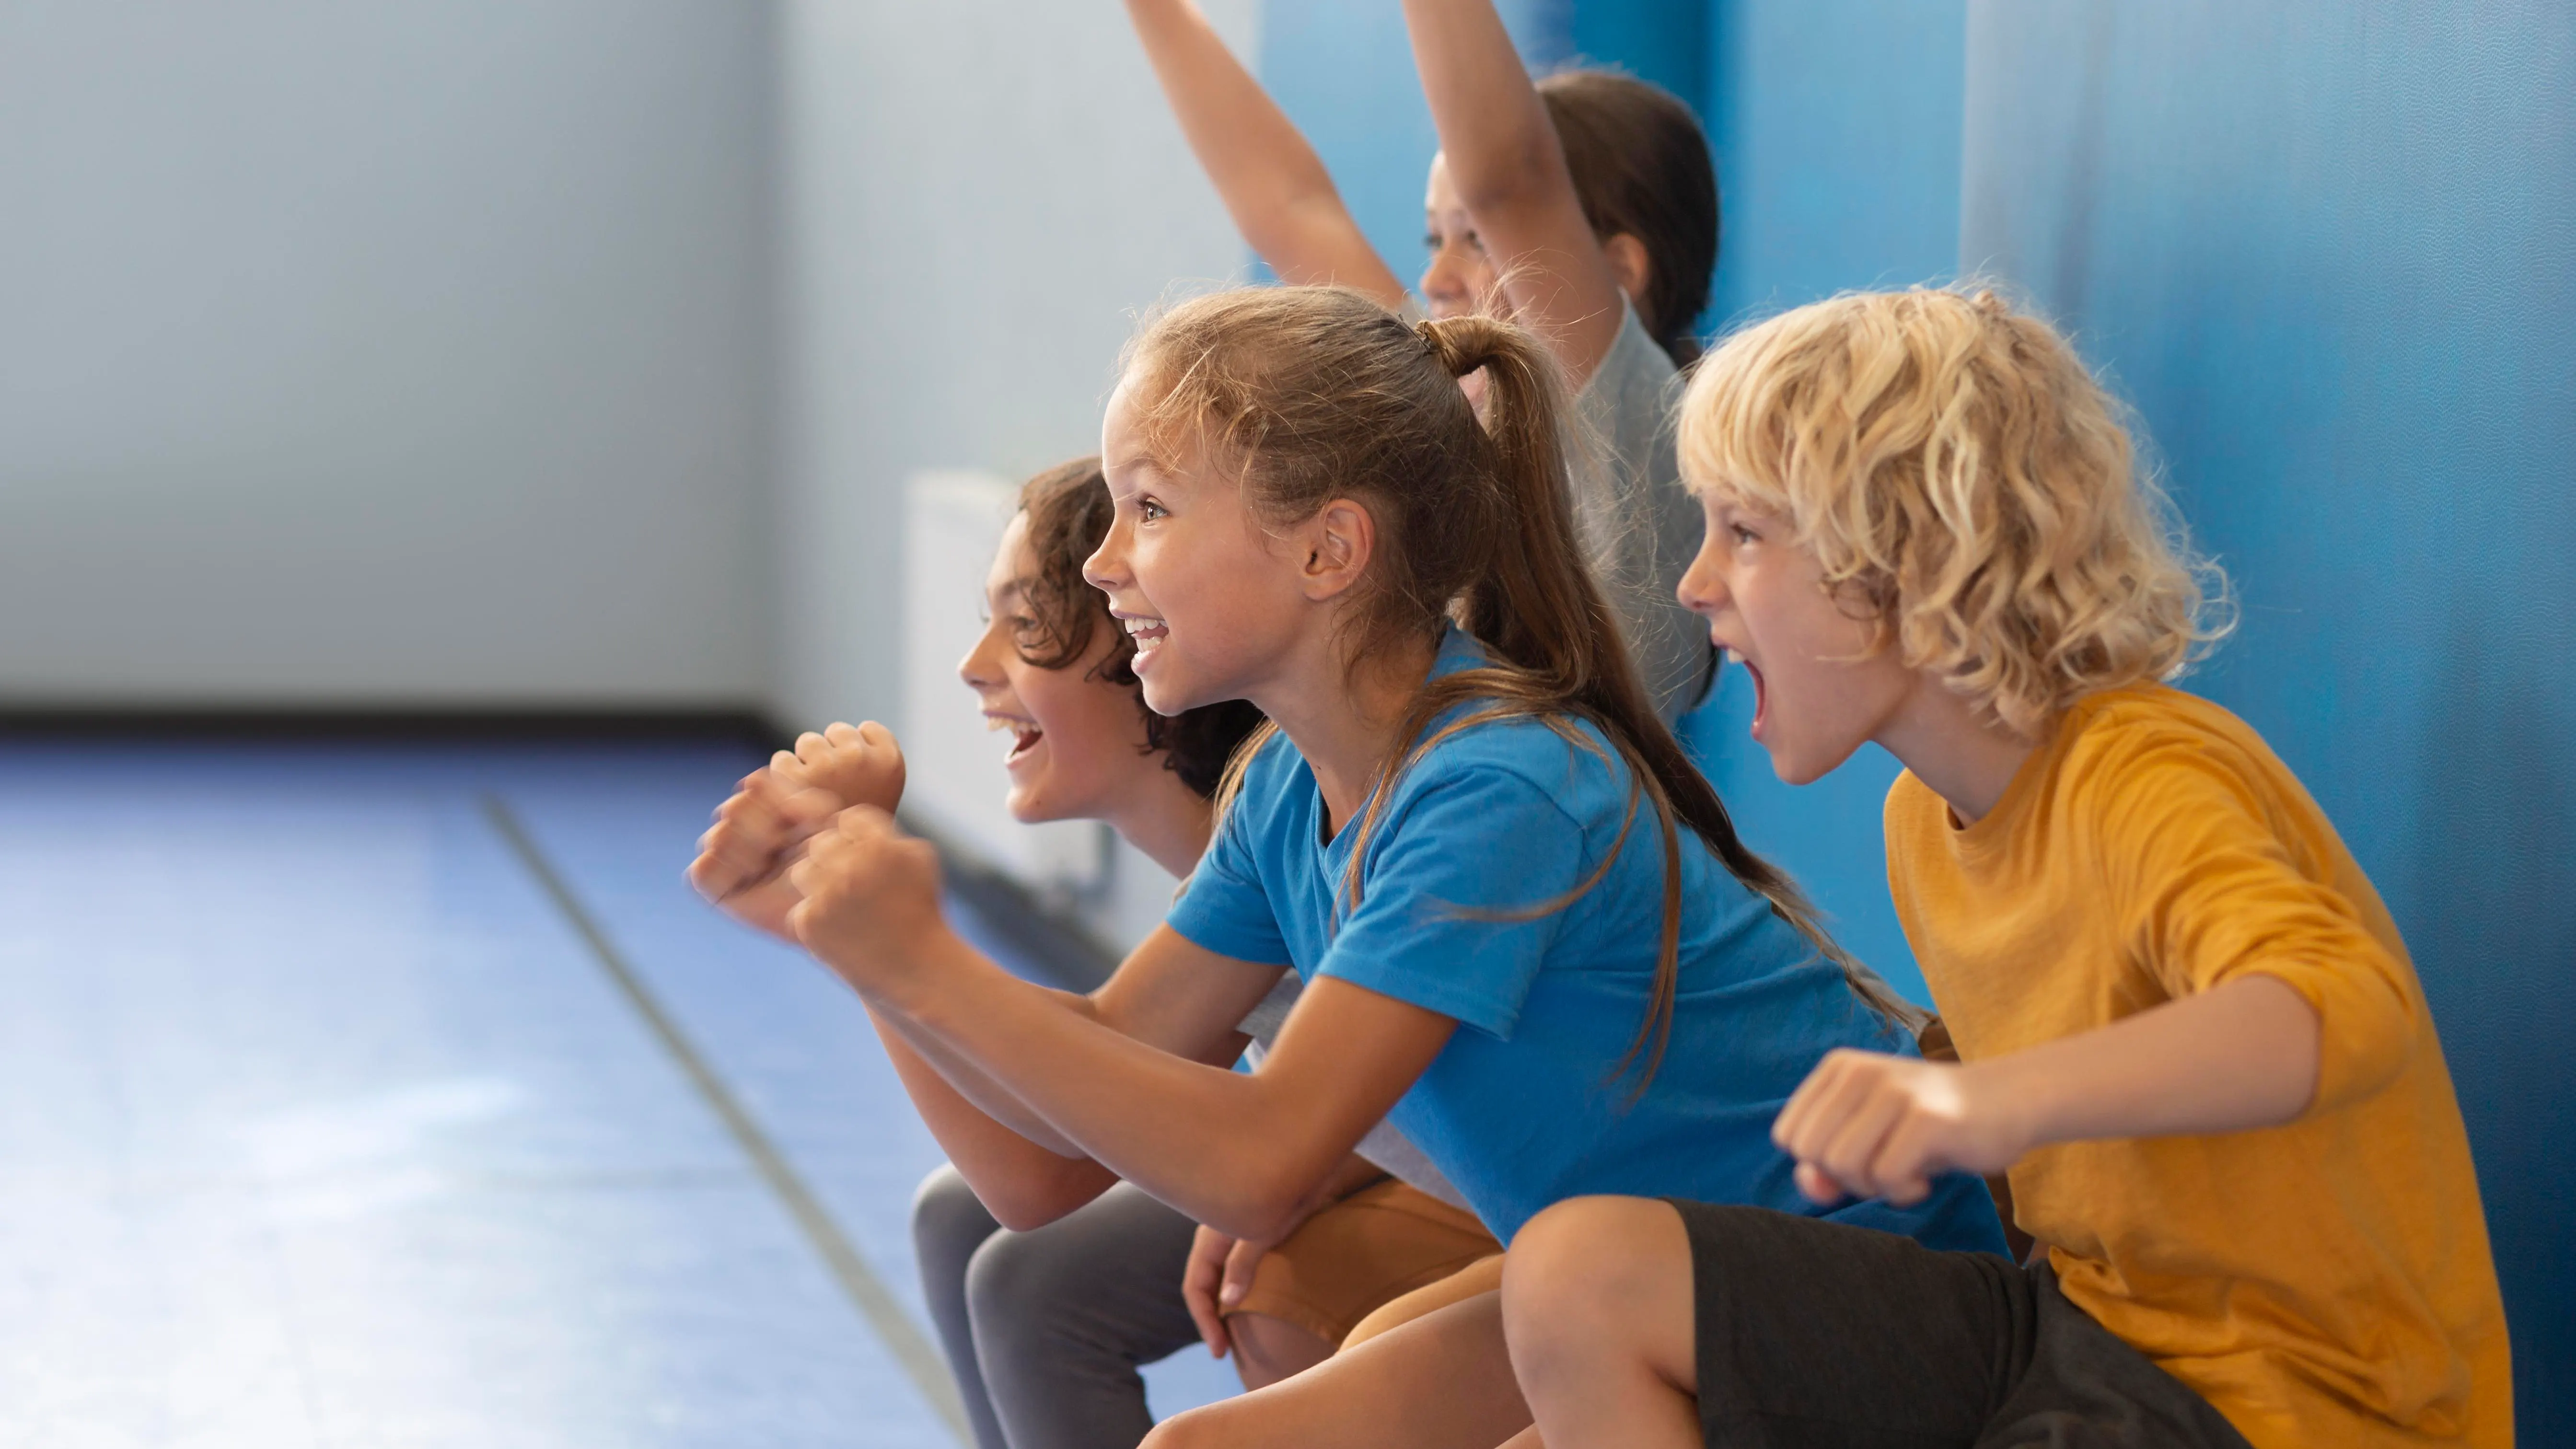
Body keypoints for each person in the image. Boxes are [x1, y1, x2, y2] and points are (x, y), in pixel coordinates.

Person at [696, 285, 2005, 1449]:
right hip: (1638, 1272)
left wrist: (916, 955)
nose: (1103, 563)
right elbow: (1044, 1165)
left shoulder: (1498, 782)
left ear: (1328, 550)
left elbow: (1261, 1159)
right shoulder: (1280, 783)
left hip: (1844, 1282)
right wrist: (849, 935)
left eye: (1147, 508)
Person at [1498, 288, 2513, 1449]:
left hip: (2298, 1404)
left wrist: (1974, 1103)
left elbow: (2335, 1009)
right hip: (2074, 1335)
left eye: (1742, 531)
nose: (1694, 584)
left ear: (1900, 553)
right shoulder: (1920, 822)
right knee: (1576, 1277)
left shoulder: (2137, 773)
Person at [723, 459, 1497, 1449]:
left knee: (1057, 1280)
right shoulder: (1261, 830)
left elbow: (1078, 1175)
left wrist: (886, 945)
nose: (972, 662)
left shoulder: (1438, 801)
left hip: (1571, 1216)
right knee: (963, 1217)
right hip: (1421, 1175)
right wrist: (856, 933)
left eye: (1028, 618)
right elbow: (1044, 1160)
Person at [1126, 0, 1718, 722]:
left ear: (1617, 272)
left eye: (1474, 238)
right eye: (1432, 237)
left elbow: (1510, 178)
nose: (1435, 279)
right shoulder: (1454, 408)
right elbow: (1291, 206)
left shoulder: (1638, 435)